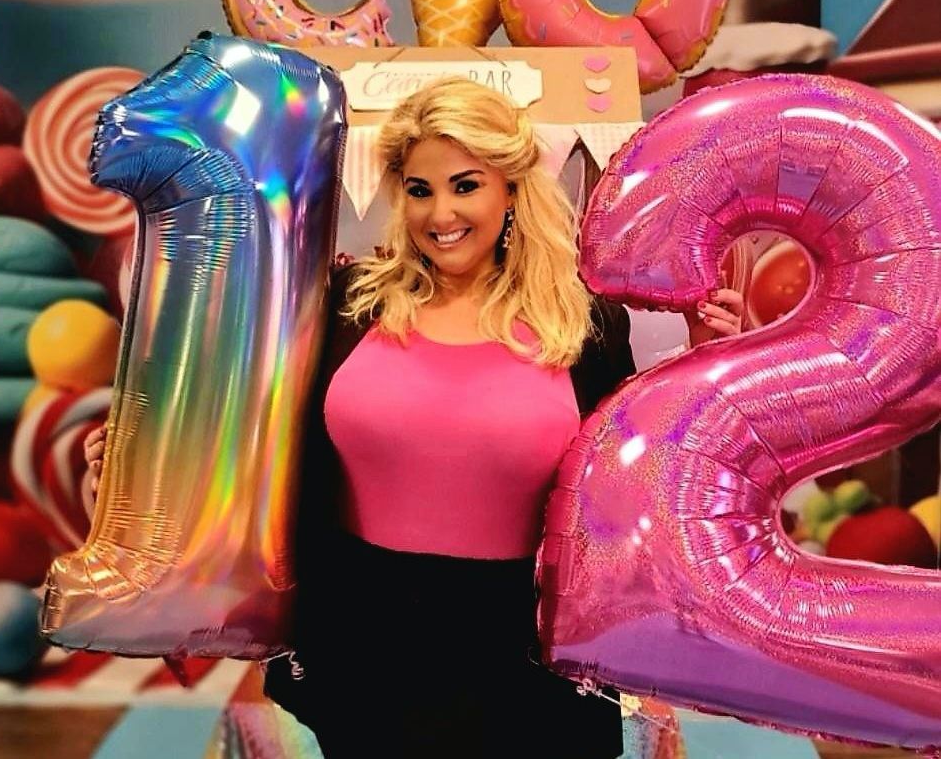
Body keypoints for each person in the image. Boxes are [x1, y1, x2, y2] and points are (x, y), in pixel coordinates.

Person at [84, 79, 742, 758]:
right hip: (363, 641)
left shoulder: (583, 325)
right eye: (420, 189)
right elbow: (255, 439)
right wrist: (144, 468)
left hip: (522, 656)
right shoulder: (346, 303)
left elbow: (627, 485)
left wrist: (707, 365)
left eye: (465, 185)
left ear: (511, 189)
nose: (440, 213)